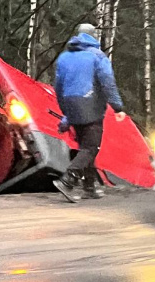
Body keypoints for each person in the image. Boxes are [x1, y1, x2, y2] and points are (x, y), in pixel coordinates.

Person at [53, 23, 127, 203]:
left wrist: (67, 114)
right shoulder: (98, 56)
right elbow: (107, 83)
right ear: (93, 36)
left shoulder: (64, 58)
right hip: (90, 105)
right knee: (91, 147)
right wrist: (117, 107)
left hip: (71, 104)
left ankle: (89, 187)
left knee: (85, 147)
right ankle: (68, 180)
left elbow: (58, 87)